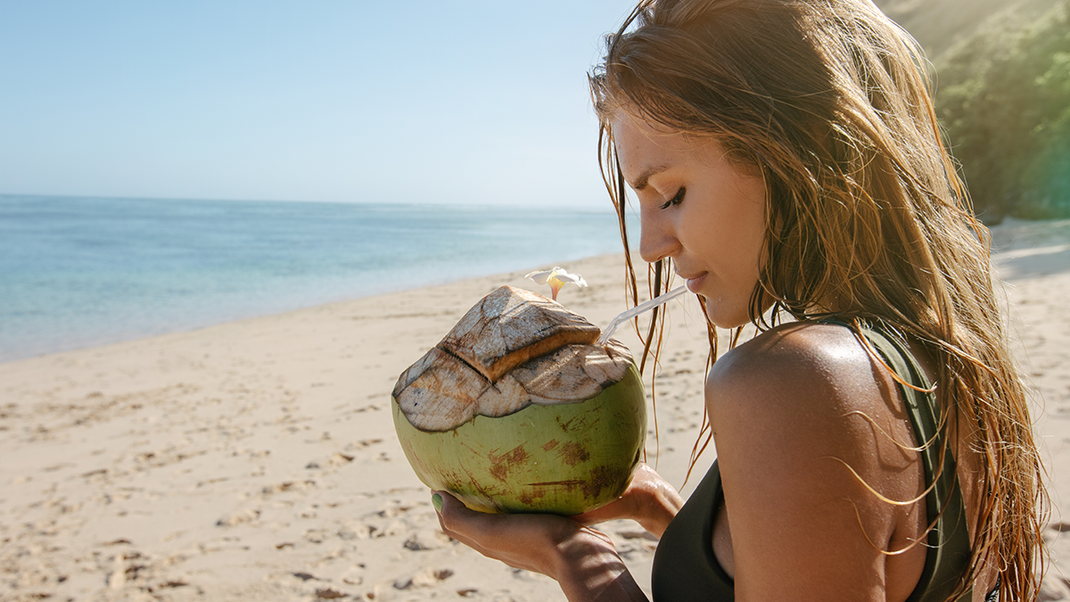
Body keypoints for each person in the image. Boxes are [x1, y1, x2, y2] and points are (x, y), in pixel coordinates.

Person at [431, 0, 1049, 599]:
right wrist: (665, 512)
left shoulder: (794, 382)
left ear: (796, 153)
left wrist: (577, 563)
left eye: (670, 193)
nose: (649, 247)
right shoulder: (942, 352)